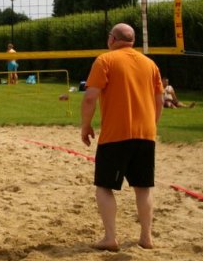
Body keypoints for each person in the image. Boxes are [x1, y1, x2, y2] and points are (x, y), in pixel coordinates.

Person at [81, 23, 163, 252]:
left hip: (116, 135)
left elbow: (90, 98)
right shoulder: (150, 64)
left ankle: (110, 237)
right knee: (143, 187)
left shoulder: (105, 60)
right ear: (133, 41)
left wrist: (85, 126)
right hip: (146, 134)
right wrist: (151, 126)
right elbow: (159, 101)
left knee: (104, 187)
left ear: (112, 39)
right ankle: (146, 237)